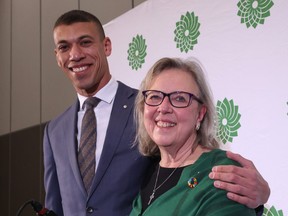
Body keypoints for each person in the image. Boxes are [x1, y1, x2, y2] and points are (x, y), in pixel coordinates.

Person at [43, 10, 269, 216]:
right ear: (56, 56)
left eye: (85, 42)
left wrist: (259, 197)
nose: (75, 54)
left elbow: (214, 185)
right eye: (64, 47)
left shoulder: (144, 107)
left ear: (106, 46)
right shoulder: (54, 131)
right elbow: (54, 206)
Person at [129, 57, 262, 216]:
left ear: (200, 114)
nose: (163, 108)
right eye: (155, 97)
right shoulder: (145, 169)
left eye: (179, 98)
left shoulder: (224, 173)